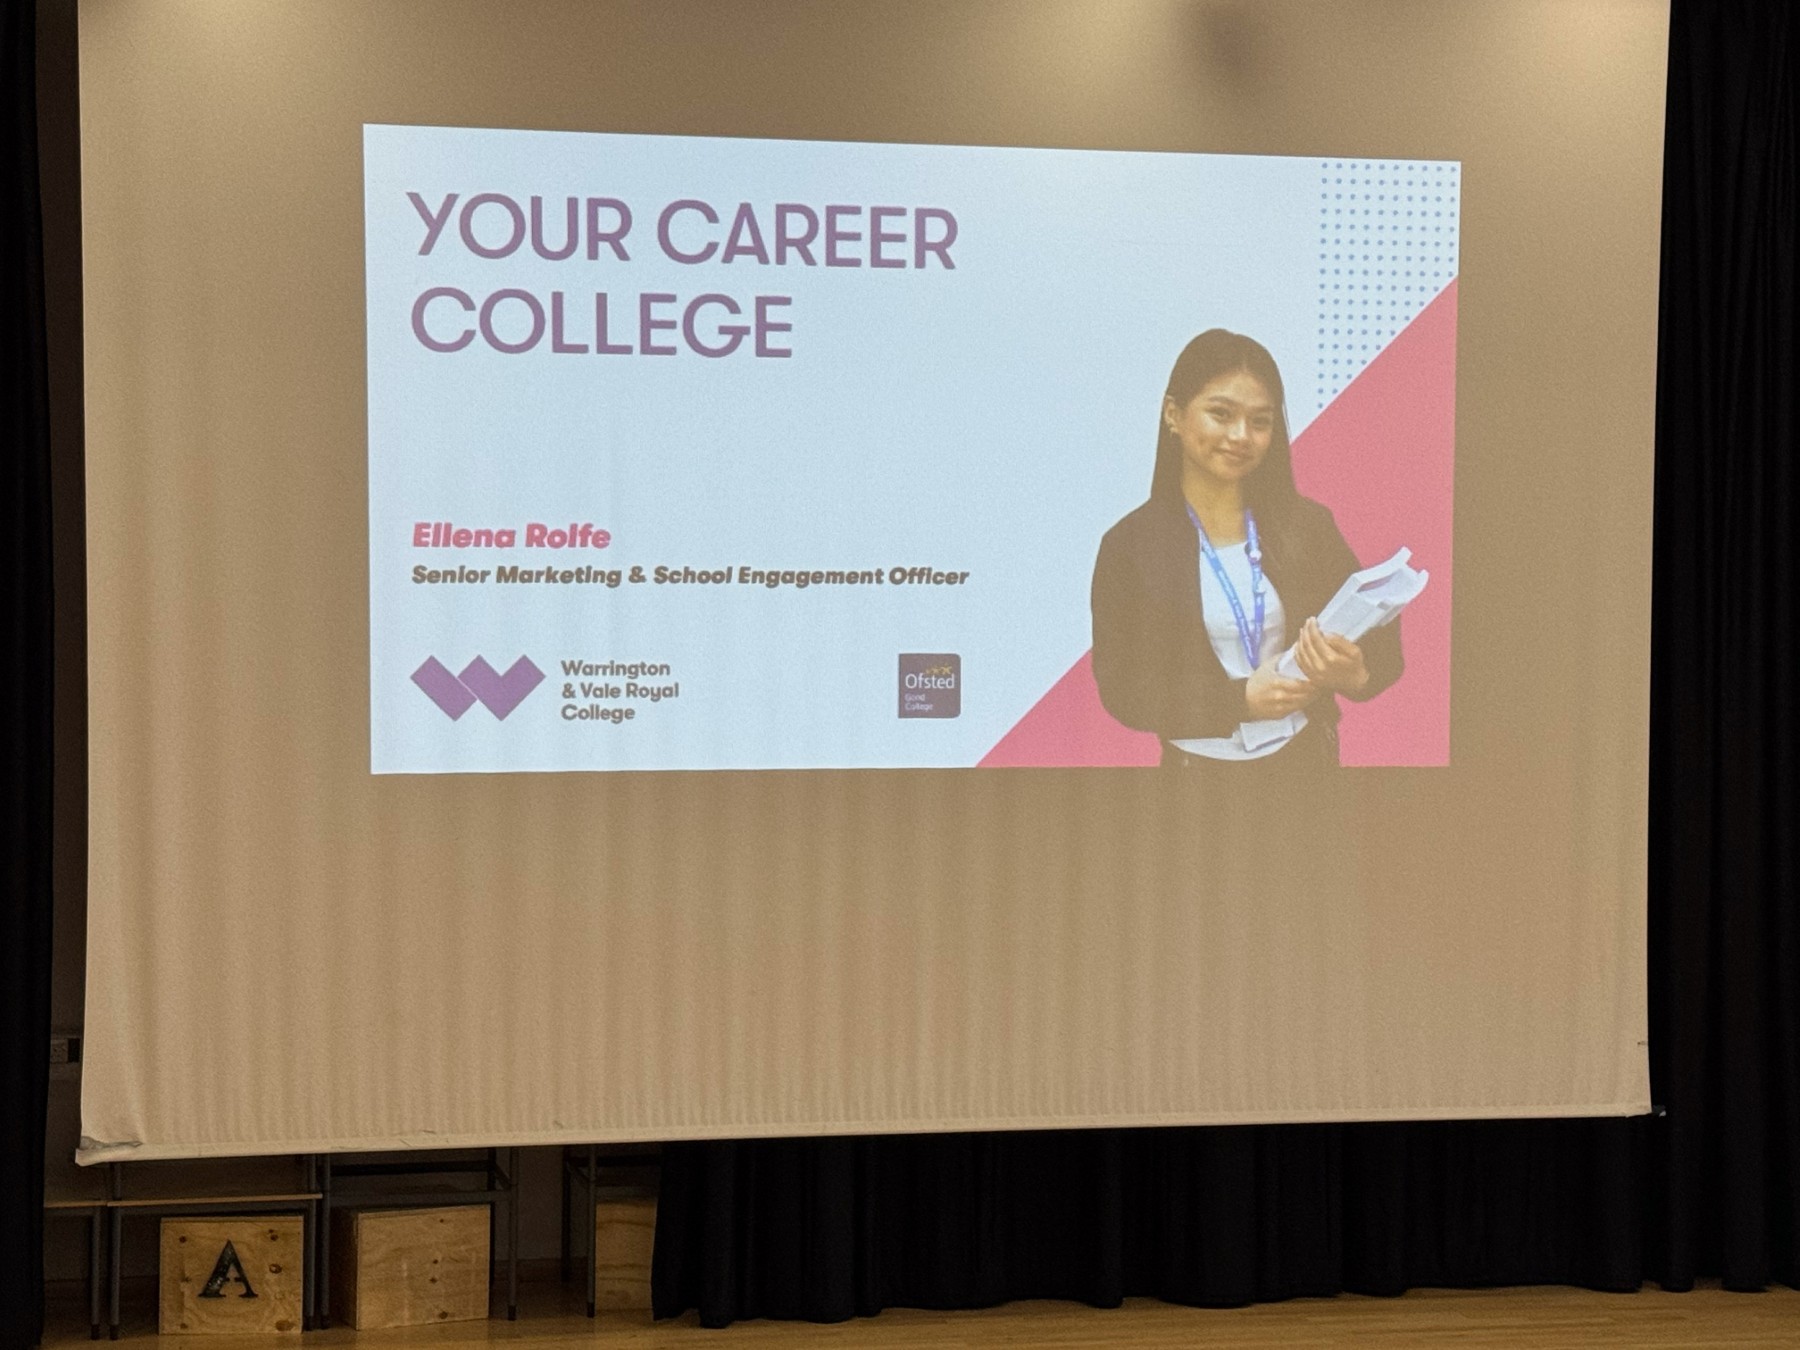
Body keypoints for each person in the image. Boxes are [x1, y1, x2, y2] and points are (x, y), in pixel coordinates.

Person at [1090, 329, 1403, 769]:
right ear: (1173, 414)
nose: (1241, 435)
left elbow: (1383, 649)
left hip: (1306, 764)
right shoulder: (1130, 546)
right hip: (1195, 780)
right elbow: (1123, 690)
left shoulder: (1308, 526)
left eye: (1260, 422)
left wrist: (1354, 673)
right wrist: (1239, 700)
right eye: (1221, 414)